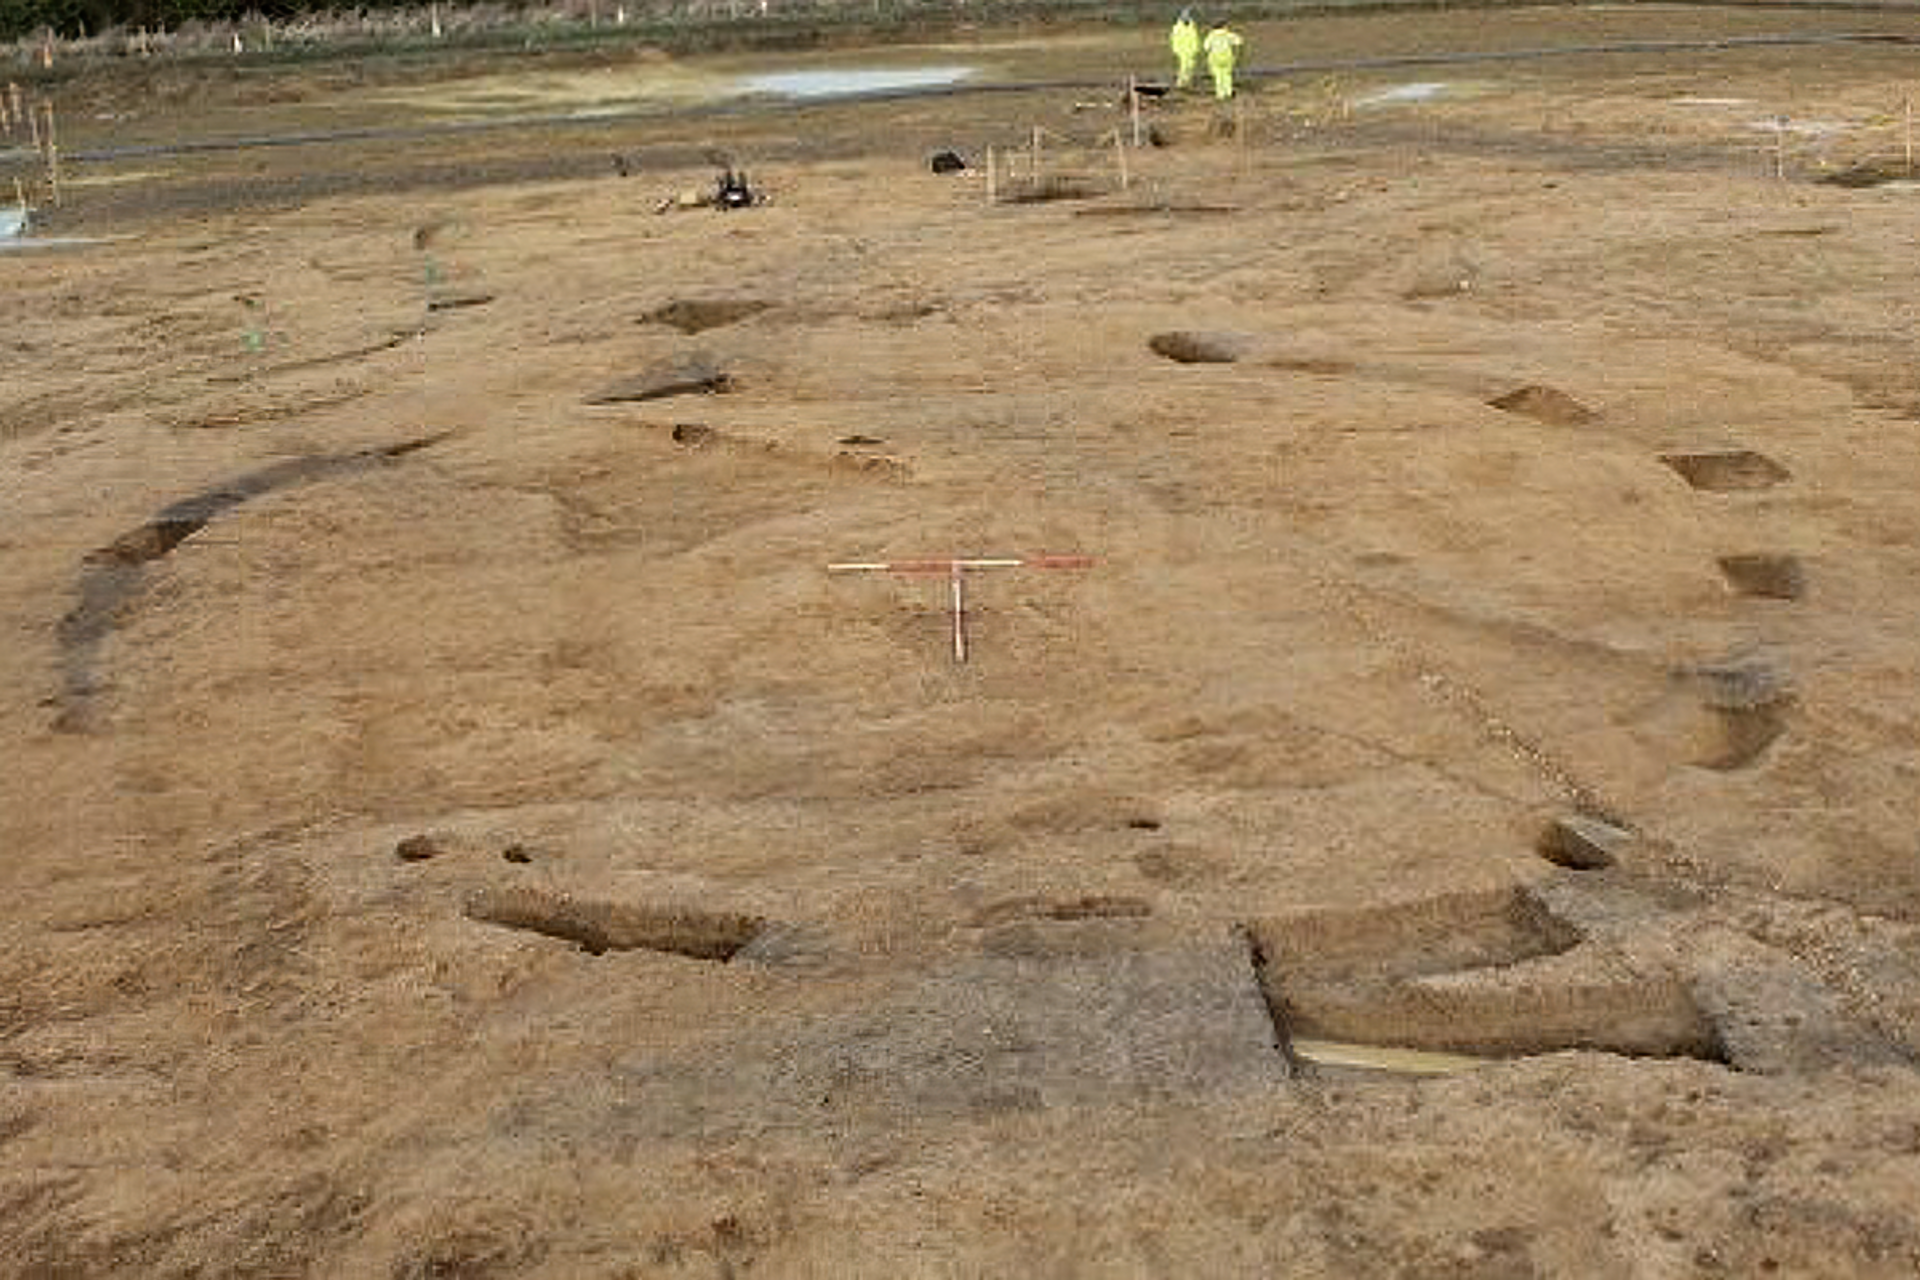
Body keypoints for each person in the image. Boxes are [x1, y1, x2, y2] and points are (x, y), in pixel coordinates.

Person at [1203, 19, 1245, 101]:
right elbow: (1239, 41)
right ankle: (1228, 92)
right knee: (1227, 75)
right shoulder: (1228, 35)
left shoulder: (1211, 36)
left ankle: (1220, 93)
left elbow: (1206, 47)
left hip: (1215, 57)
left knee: (1218, 75)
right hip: (1227, 56)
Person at [1169, 9, 1201, 91]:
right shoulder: (1177, 28)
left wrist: (1196, 48)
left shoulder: (1192, 27)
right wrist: (1176, 49)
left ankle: (1186, 82)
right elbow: (1174, 39)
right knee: (1184, 67)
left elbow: (1195, 38)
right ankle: (1181, 82)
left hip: (1191, 50)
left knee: (1190, 66)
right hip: (1182, 50)